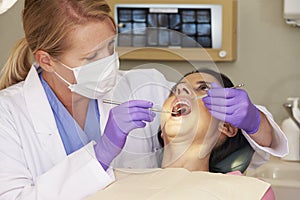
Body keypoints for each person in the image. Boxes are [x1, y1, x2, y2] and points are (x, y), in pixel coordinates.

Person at [0, 0, 287, 199]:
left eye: (110, 46)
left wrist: (254, 119)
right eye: (91, 57)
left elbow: (231, 139)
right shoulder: (9, 115)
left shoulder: (143, 86)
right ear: (46, 61)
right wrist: (99, 156)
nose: (108, 61)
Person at [158, 69, 275, 199]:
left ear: (226, 127)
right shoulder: (132, 181)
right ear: (161, 131)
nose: (181, 91)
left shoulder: (248, 193)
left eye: (203, 88)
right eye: (174, 91)